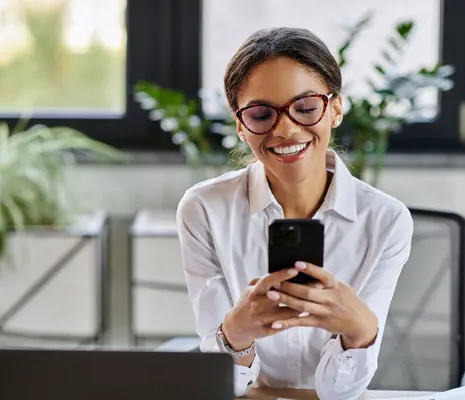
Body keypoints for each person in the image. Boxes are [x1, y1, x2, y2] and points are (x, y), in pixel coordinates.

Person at [176, 27, 414, 400]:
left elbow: (340, 393)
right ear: (241, 125)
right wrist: (237, 333)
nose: (286, 129)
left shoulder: (386, 221)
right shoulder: (205, 210)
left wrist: (360, 330)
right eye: (260, 114)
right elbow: (227, 387)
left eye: (305, 108)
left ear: (335, 109)